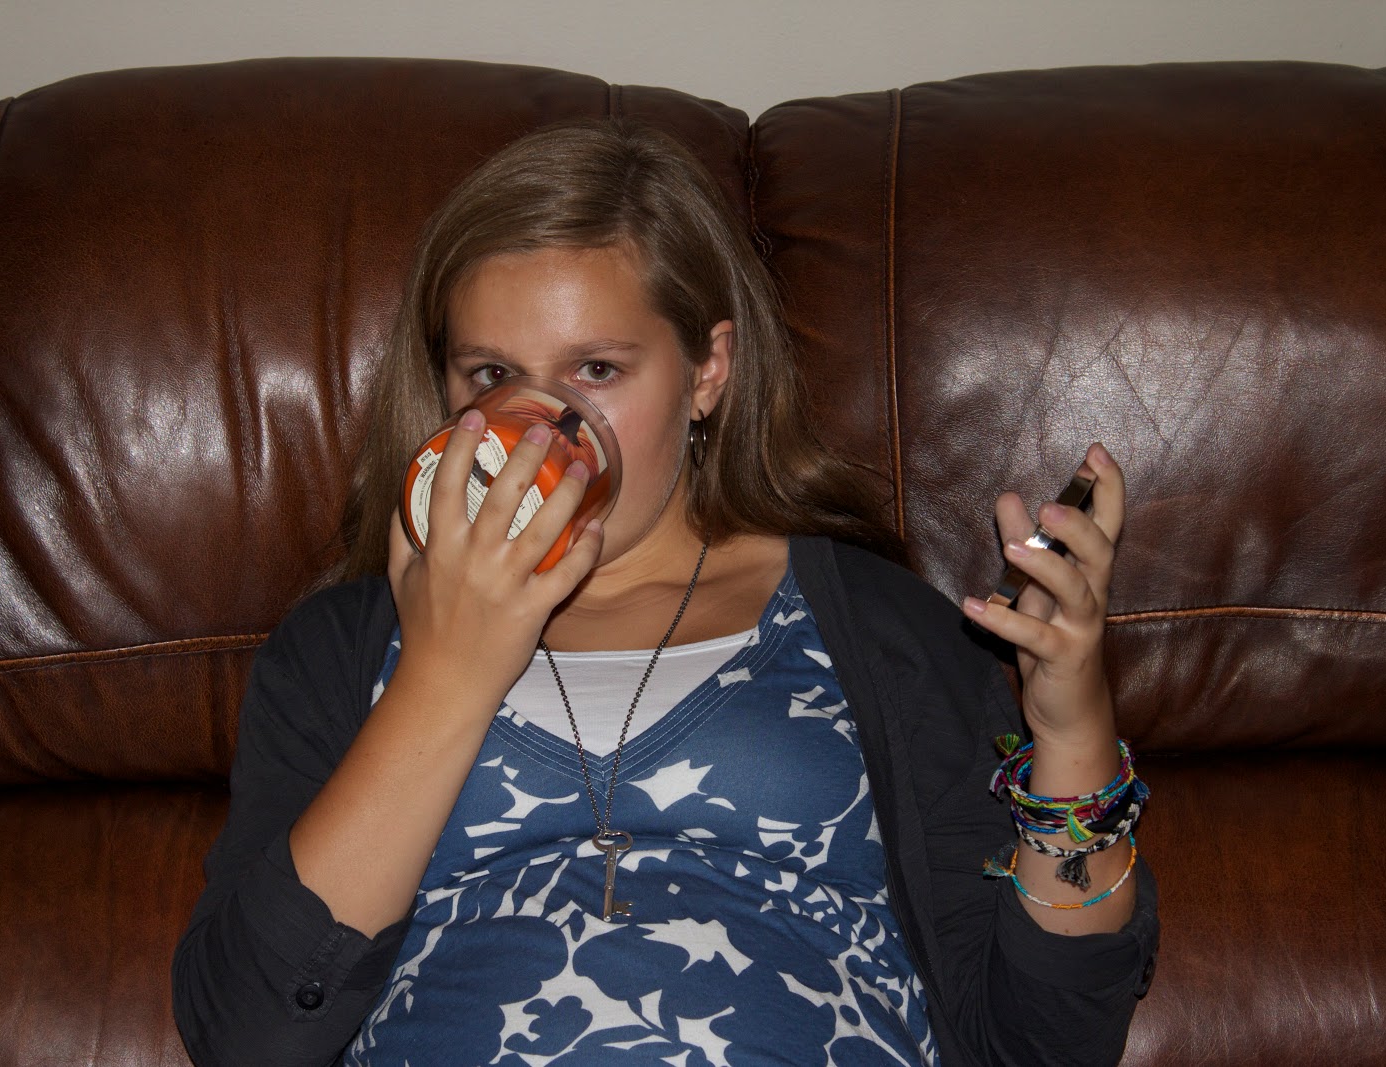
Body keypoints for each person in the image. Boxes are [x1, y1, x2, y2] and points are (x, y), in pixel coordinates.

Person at [172, 120, 1158, 1067]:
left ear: (706, 372)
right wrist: (442, 677)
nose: (539, 430)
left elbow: (1043, 1042)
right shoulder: (340, 649)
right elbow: (247, 1035)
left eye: (596, 368)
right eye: (492, 372)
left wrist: (1070, 733)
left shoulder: (881, 629)